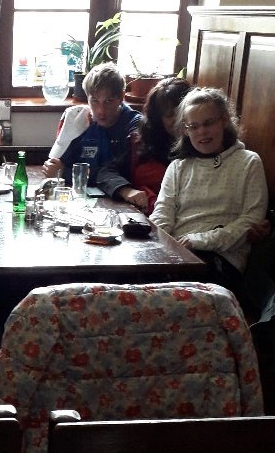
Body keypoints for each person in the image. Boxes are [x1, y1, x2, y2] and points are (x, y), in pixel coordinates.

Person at [150, 87, 269, 299]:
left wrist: (198, 241)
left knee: (171, 291)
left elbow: (250, 221)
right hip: (176, 253)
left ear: (224, 120)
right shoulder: (178, 167)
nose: (202, 132)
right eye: (194, 126)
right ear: (185, 130)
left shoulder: (248, 162)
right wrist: (158, 246)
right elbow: (162, 214)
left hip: (222, 258)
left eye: (208, 123)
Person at [42, 62, 147, 210]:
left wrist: (66, 172)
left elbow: (114, 171)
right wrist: (55, 168)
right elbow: (60, 164)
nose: (101, 111)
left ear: (121, 97)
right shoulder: (79, 121)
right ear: (87, 98)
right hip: (81, 204)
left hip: (123, 204)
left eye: (108, 101)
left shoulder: (135, 126)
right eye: (95, 101)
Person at [130, 76, 191, 214]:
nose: (178, 119)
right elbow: (109, 171)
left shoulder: (205, 145)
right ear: (159, 119)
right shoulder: (143, 141)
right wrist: (127, 191)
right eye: (170, 115)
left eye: (182, 112)